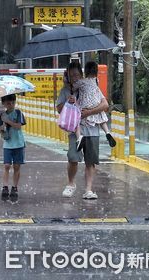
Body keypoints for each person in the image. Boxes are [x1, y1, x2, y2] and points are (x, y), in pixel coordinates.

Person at [56, 62, 109, 199]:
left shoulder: (91, 86)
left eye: (77, 74)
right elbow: (59, 109)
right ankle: (71, 184)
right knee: (73, 157)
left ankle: (88, 190)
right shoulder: (65, 90)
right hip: (75, 130)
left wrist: (89, 112)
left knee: (90, 161)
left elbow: (105, 105)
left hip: (92, 130)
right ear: (68, 75)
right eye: (72, 75)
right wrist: (69, 102)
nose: (75, 77)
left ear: (82, 74)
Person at [73, 61, 116, 151]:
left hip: (86, 104)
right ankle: (107, 132)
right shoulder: (97, 80)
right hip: (96, 103)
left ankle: (79, 138)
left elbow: (73, 87)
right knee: (101, 119)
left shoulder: (82, 82)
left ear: (86, 71)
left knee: (75, 120)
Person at [0, 94, 26, 200]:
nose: (11, 104)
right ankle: (5, 186)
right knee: (7, 165)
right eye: (8, 103)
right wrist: (3, 126)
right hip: (8, 144)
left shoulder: (18, 113)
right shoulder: (2, 115)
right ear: (3, 103)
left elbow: (18, 126)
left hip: (18, 144)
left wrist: (8, 121)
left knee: (17, 166)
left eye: (13, 102)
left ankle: (14, 187)